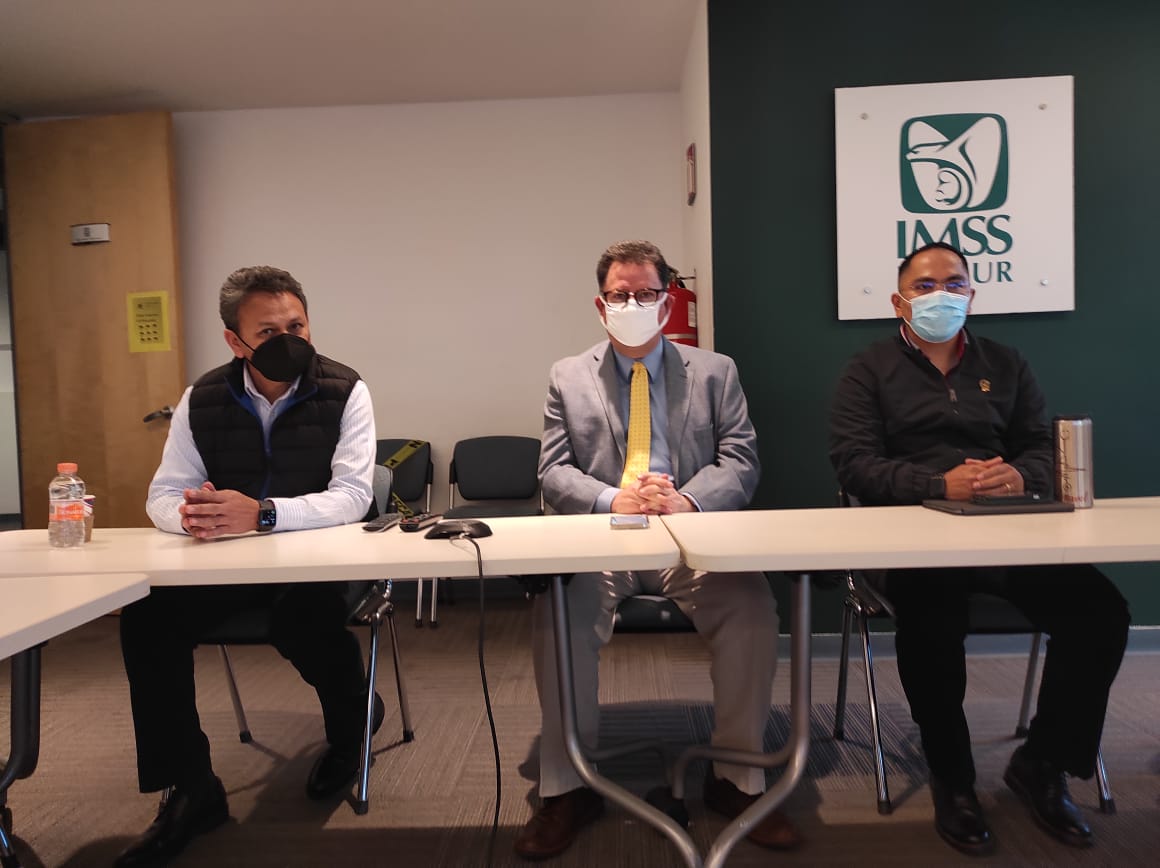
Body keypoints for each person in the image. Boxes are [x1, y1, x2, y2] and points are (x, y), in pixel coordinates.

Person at [829, 241, 1129, 857]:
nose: (942, 295)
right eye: (925, 286)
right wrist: (939, 484)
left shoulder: (1006, 363)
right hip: (913, 541)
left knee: (1100, 613)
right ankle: (954, 778)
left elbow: (1041, 447)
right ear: (899, 302)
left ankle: (1043, 763)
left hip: (1008, 530)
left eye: (955, 283)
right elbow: (854, 465)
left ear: (972, 294)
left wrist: (1021, 475)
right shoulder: (868, 370)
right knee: (932, 622)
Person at [514, 240, 799, 860]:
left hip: (690, 538)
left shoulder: (716, 371)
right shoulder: (568, 375)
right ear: (600, 305)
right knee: (557, 615)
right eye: (620, 295)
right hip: (601, 540)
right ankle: (567, 788)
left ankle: (737, 779)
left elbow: (742, 461)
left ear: (667, 304)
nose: (633, 305)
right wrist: (610, 498)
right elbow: (553, 471)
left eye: (646, 294)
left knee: (752, 609)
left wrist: (687, 500)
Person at [115, 266, 382, 868]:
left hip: (318, 563)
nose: (289, 340)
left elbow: (352, 497)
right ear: (235, 341)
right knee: (148, 618)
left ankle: (351, 730)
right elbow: (163, 494)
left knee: (303, 621)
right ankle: (191, 787)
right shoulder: (203, 397)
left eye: (297, 326)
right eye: (268, 332)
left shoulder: (346, 390)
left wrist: (262, 514)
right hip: (228, 563)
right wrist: (193, 516)